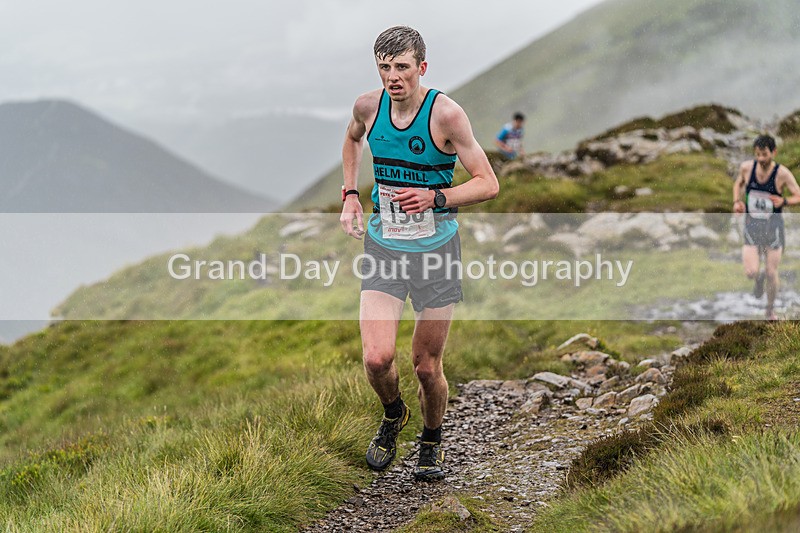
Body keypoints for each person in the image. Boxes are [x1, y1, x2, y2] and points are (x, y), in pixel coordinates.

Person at [339, 26, 499, 481]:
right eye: (384, 67)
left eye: (402, 67)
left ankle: (431, 440)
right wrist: (351, 193)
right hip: (384, 246)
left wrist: (437, 198)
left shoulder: (446, 115)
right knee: (376, 359)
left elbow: (489, 183)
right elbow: (352, 140)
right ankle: (394, 415)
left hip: (436, 252)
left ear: (421, 68)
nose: (393, 77)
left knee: (427, 367)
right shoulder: (368, 107)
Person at [733, 134, 800, 320]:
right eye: (757, 155)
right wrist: (737, 201)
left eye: (764, 154)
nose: (761, 159)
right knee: (751, 272)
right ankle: (757, 279)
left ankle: (770, 311)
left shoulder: (782, 173)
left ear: (774, 152)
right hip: (752, 227)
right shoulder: (747, 168)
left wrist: (784, 200)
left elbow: (798, 195)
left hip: (773, 229)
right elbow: (738, 183)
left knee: (771, 272)